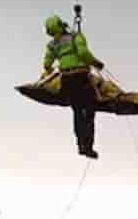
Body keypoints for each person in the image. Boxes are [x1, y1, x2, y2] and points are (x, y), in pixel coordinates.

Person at [41, 14, 105, 159]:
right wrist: (97, 63)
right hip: (81, 78)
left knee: (77, 111)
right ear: (62, 25)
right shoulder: (76, 36)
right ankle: (88, 146)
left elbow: (47, 65)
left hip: (66, 81)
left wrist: (50, 74)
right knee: (88, 110)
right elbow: (83, 53)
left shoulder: (52, 45)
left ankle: (81, 146)